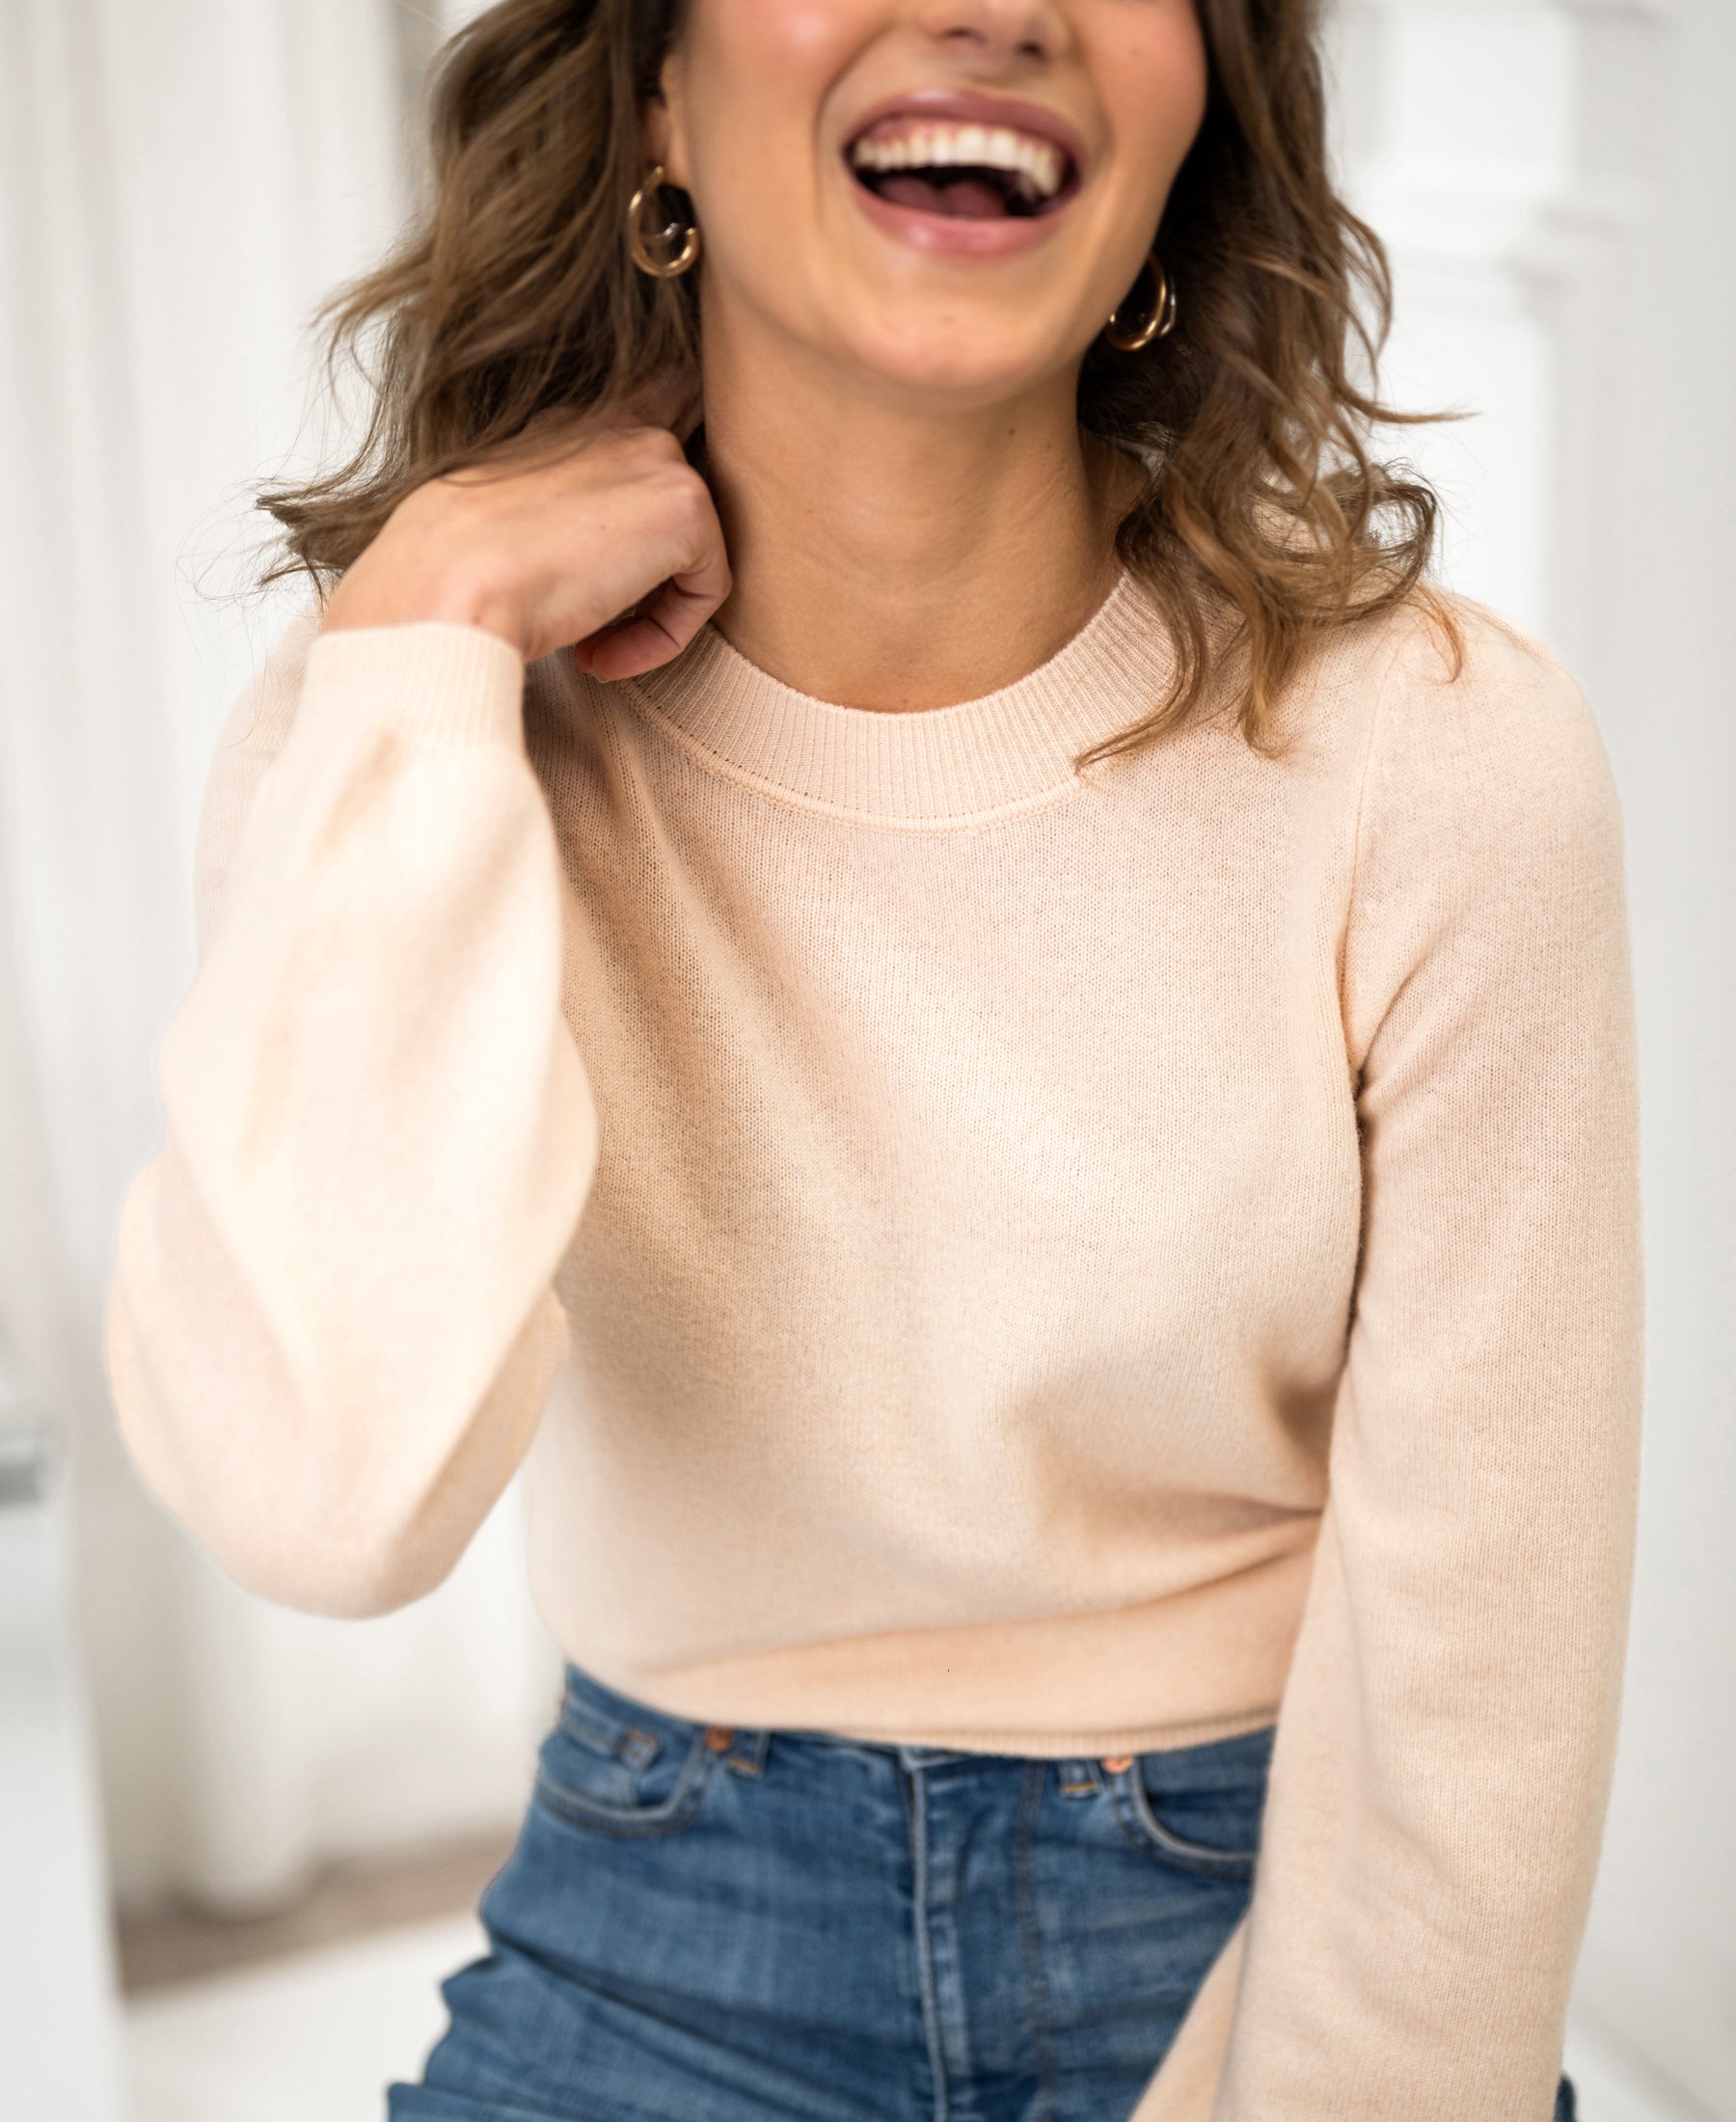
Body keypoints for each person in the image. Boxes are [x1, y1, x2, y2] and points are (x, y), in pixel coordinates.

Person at [103, 0, 1640, 2115]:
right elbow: (317, 1499)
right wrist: (433, 612)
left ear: (1198, 114)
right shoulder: (422, 714)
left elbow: (1483, 1674)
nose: (996, 10)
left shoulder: (1445, 755)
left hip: (1283, 1892)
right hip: (664, 1919)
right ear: (653, 86)